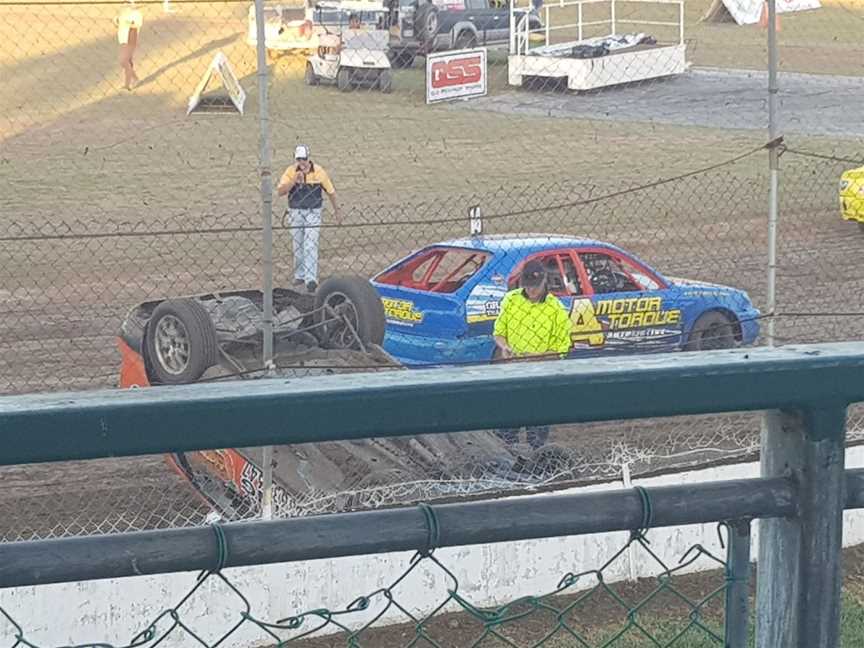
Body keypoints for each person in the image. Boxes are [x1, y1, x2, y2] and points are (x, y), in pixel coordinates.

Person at [493, 259, 573, 449]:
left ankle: (536, 456)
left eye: (535, 287)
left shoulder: (556, 309)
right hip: (513, 370)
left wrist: (535, 358)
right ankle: (508, 453)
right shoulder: (511, 300)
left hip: (541, 373)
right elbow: (498, 333)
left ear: (544, 281)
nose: (531, 291)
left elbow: (561, 349)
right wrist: (504, 347)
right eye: (528, 287)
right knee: (507, 423)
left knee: (537, 424)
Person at [276, 144, 339, 292]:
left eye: (304, 159)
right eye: (299, 159)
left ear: (308, 159)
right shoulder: (290, 172)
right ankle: (300, 275)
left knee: (310, 244)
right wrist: (294, 181)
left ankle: (310, 278)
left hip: (313, 212)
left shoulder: (319, 172)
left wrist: (337, 210)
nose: (301, 162)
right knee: (298, 246)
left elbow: (331, 191)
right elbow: (280, 191)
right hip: (295, 212)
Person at [115, 2, 143, 90]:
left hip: (130, 37)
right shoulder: (122, 11)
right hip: (122, 37)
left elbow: (137, 24)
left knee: (123, 60)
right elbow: (116, 21)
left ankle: (128, 84)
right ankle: (134, 79)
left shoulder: (136, 13)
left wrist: (127, 23)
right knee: (127, 61)